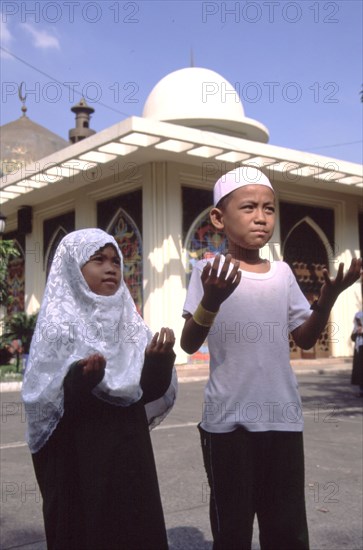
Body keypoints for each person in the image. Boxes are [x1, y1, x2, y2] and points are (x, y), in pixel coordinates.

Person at [180, 167, 362, 550]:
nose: (261, 217)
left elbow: (305, 337)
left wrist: (328, 299)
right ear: (218, 217)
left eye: (269, 208)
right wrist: (211, 300)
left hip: (282, 417)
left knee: (286, 527)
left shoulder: (281, 273)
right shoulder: (207, 271)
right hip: (227, 421)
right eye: (248, 207)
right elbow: (189, 342)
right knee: (232, 528)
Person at [22, 228, 178, 550]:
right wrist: (80, 381)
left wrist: (158, 363)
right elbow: (42, 400)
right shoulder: (58, 325)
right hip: (81, 463)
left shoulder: (129, 323)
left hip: (130, 458)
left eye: (115, 262)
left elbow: (142, 393)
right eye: (98, 260)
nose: (111, 268)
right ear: (73, 269)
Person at [351, 310, 363, 397]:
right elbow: (352, 337)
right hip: (359, 347)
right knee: (360, 369)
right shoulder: (357, 327)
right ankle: (361, 389)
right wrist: (357, 332)